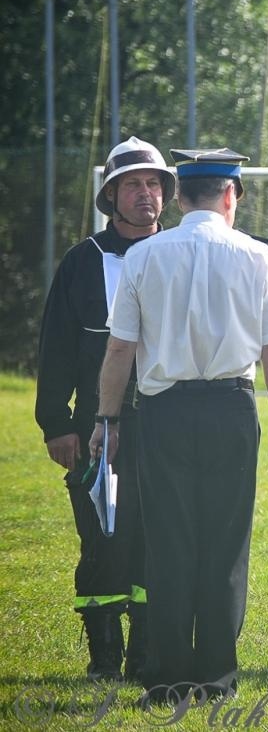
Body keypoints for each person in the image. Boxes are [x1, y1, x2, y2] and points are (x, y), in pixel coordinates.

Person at [89, 147, 268, 700]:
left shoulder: (144, 256)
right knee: (225, 544)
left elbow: (120, 350)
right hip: (232, 409)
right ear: (231, 194)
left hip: (163, 412)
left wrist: (106, 419)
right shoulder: (257, 257)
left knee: (168, 544)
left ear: (179, 196)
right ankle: (216, 675)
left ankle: (167, 675)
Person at [36, 137, 173, 681]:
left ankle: (145, 656)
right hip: (99, 428)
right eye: (134, 184)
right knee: (102, 540)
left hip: (166, 426)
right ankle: (103, 660)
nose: (146, 194)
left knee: (156, 540)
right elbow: (57, 348)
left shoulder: (178, 253)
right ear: (112, 195)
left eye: (155, 183)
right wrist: (58, 424)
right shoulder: (82, 261)